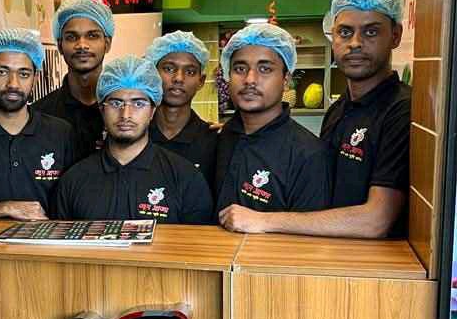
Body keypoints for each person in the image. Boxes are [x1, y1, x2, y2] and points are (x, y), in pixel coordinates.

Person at [218, 0, 410, 239]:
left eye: (371, 32)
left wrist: (262, 219)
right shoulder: (340, 109)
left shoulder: (401, 110)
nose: (355, 43)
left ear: (395, 36)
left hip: (371, 262)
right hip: (330, 252)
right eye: (345, 32)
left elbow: (376, 221)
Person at [55, 55, 214, 224]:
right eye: (116, 103)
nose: (126, 115)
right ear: (102, 110)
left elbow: (198, 240)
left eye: (138, 104)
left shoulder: (186, 178)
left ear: (152, 111)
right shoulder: (74, 180)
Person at [216, 22, 332, 227]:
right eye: (240, 69)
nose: (250, 79)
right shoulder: (221, 138)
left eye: (265, 69)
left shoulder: (307, 154)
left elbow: (311, 239)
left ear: (286, 80)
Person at [0, 27, 75, 221]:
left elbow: (72, 205)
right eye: (2, 72)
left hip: (47, 238)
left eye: (24, 74)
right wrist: (5, 208)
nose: (13, 84)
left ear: (35, 78)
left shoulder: (60, 132)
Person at [33, 0, 114, 159]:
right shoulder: (39, 115)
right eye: (71, 37)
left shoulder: (124, 111)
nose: (82, 45)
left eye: (92, 36)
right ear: (60, 45)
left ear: (107, 43)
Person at [145, 30, 217, 187]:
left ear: (201, 81)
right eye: (169, 69)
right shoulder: (135, 134)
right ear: (153, 74)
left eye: (190, 72)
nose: (178, 78)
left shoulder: (215, 141)